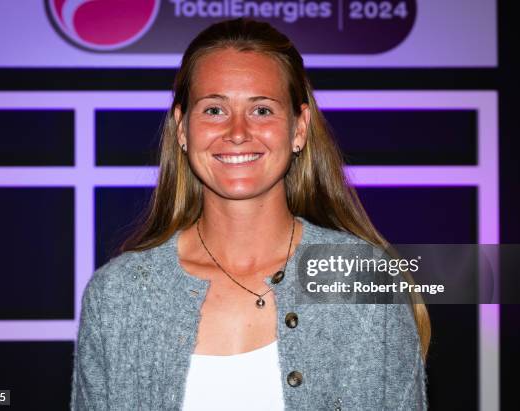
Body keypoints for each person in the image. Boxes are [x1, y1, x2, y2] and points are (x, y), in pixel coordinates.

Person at [71, 18, 430, 410]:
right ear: (182, 128)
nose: (237, 132)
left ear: (299, 127)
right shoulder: (117, 297)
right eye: (213, 109)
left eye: (261, 110)